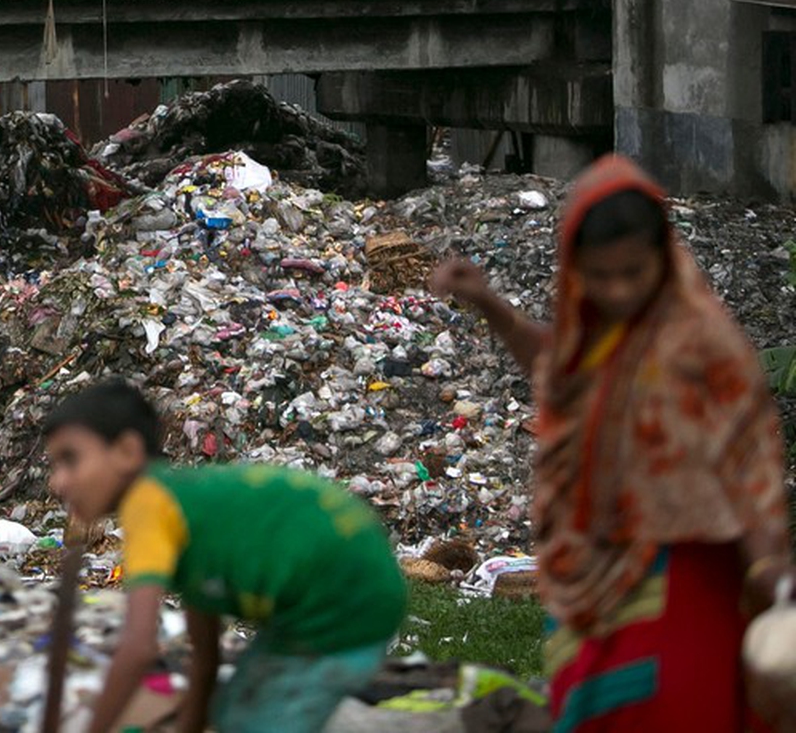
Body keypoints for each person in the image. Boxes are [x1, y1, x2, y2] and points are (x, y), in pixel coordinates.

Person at [429, 156, 790, 732]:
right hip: (592, 579)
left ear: (663, 260)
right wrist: (490, 305)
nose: (618, 290)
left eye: (633, 273)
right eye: (600, 275)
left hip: (684, 577)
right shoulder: (595, 330)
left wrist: (772, 569)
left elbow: (750, 473)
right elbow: (562, 376)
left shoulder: (705, 349)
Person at [43, 380, 406, 733]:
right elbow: (206, 655)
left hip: (343, 610)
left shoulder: (147, 507)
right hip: (340, 592)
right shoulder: (184, 509)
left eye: (70, 460)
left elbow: (138, 649)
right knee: (231, 711)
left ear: (126, 452)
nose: (58, 482)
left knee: (251, 724)